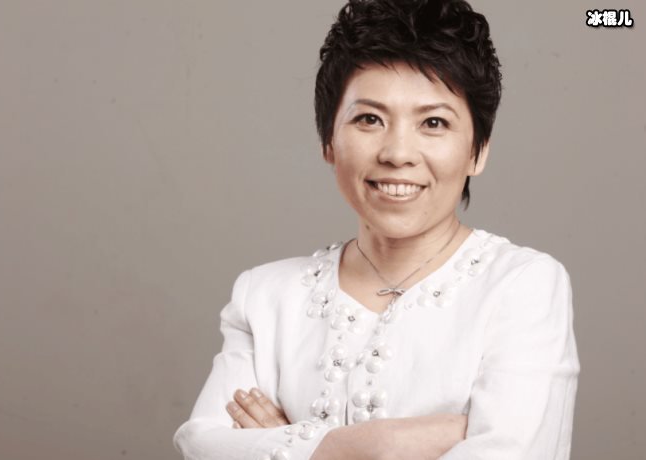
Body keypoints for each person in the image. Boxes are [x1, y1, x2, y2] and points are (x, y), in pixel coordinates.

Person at [173, 0, 580, 458]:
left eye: (433, 122)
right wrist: (369, 445)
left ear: (477, 150)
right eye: (369, 119)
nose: (397, 153)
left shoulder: (522, 286)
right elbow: (200, 444)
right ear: (328, 141)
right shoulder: (264, 297)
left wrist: (288, 445)